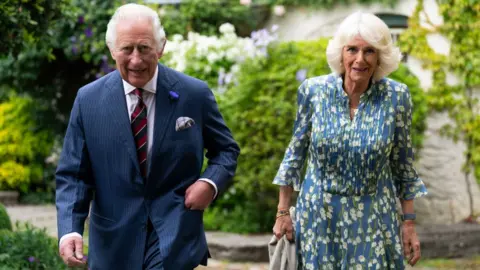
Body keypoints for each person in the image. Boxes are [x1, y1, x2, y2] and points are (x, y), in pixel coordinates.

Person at [55, 3, 240, 270]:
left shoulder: (194, 94)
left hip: (173, 232)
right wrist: (70, 230)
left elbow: (226, 150)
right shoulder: (88, 100)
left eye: (144, 48)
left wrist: (209, 183)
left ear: (161, 47)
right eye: (126, 49)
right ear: (112, 49)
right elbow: (73, 174)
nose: (136, 60)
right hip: (113, 241)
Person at [272, 11, 427, 270]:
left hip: (375, 219)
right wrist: (283, 211)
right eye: (352, 49)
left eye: (369, 51)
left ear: (380, 58)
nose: (359, 59)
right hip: (319, 219)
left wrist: (409, 223)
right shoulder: (313, 91)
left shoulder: (396, 97)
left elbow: (403, 166)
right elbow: (295, 154)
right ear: (340, 54)